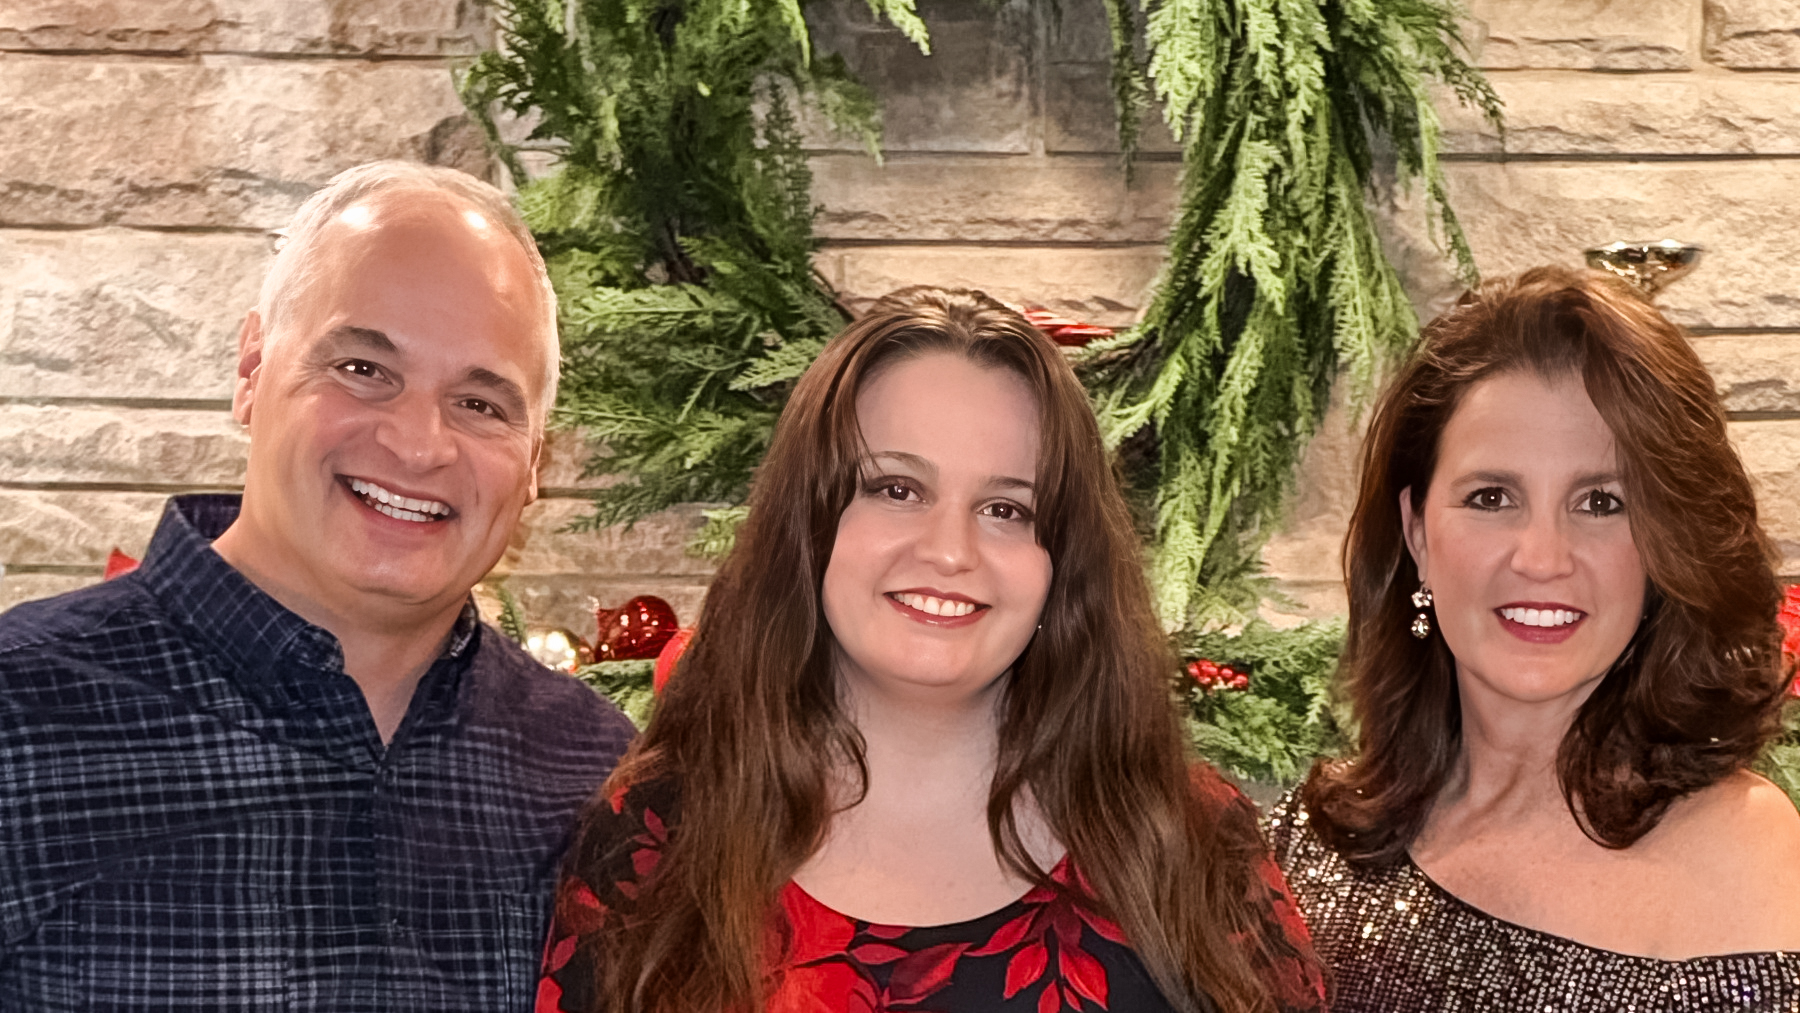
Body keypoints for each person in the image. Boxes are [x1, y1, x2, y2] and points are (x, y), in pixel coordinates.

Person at [536, 287, 1326, 1013]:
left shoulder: (1190, 837)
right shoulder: (657, 832)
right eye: (896, 489)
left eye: (1007, 508)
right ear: (810, 525)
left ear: (1063, 563)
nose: (951, 550)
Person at [0, 162, 635, 1012]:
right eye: (364, 368)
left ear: (534, 468)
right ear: (252, 370)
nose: (418, 444)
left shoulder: (600, 773)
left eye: (482, 403)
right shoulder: (19, 716)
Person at [1267, 265, 1800, 1011]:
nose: (1543, 557)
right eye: (1492, 497)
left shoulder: (1744, 854)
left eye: (1601, 502)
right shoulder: (1308, 844)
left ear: (1665, 544)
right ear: (1418, 530)